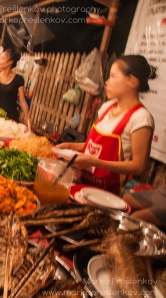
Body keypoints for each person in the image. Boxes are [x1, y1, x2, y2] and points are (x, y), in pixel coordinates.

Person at [56, 55, 156, 195]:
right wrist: (72, 146)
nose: (107, 82)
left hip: (106, 194)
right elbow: (97, 148)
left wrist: (97, 163)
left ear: (132, 81)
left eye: (113, 76)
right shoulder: (106, 107)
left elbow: (139, 166)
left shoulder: (140, 118)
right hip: (82, 183)